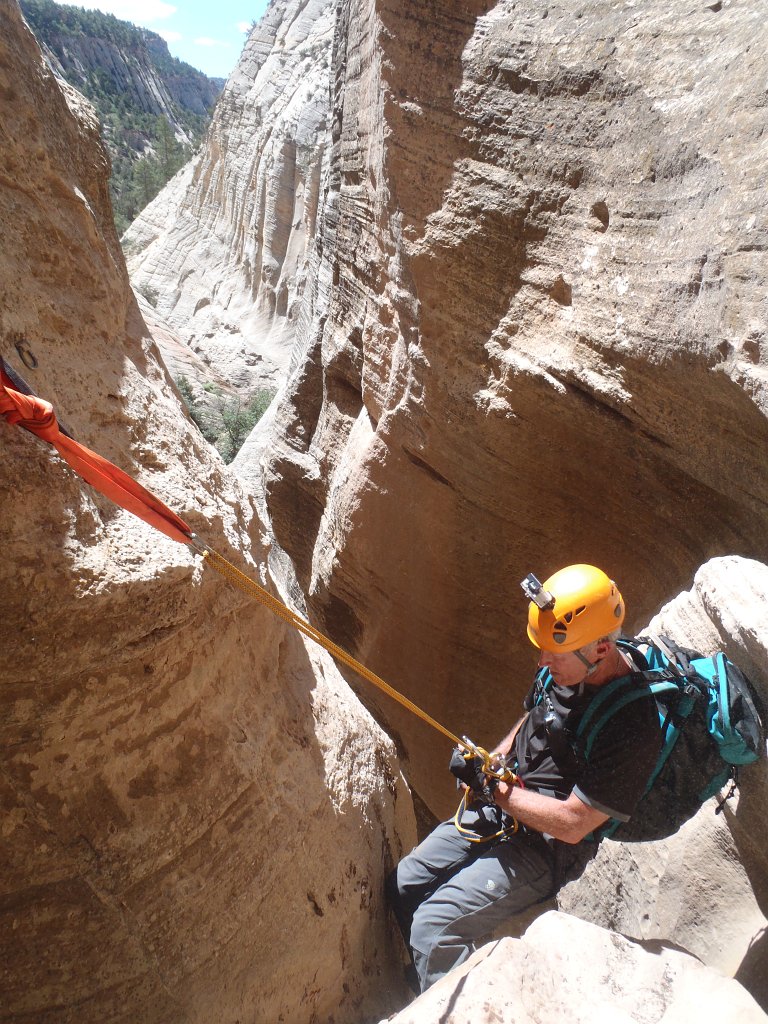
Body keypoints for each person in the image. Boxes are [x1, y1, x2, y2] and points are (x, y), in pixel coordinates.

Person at [387, 563, 662, 993]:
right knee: (406, 884)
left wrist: (492, 790)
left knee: (434, 927)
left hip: (545, 848)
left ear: (602, 650)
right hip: (506, 800)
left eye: (554, 655)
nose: (542, 660)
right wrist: (493, 760)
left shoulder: (634, 725)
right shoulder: (568, 662)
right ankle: (430, 979)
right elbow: (537, 714)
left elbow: (574, 824)